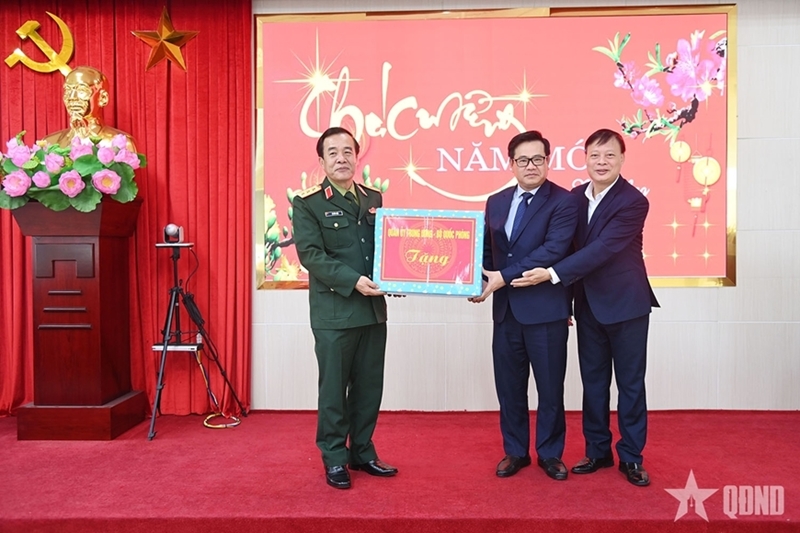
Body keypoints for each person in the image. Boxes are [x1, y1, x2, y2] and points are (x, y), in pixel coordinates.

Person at [512, 128, 659, 487]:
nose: (601, 162)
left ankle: (632, 456)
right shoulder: (574, 198)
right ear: (585, 159)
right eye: (595, 155)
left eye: (609, 155)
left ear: (622, 159)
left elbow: (601, 250)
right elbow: (562, 243)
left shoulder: (633, 201)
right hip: (587, 305)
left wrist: (551, 274)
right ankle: (597, 451)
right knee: (593, 383)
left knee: (630, 385)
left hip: (626, 305)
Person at [292, 126, 397, 490]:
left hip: (372, 311)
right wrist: (354, 281)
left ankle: (362, 452)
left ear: (357, 156)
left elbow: (386, 248)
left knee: (369, 388)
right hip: (335, 313)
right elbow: (311, 255)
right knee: (334, 391)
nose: (342, 158)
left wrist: (397, 276)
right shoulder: (308, 203)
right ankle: (335, 457)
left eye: (348, 151)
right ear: (321, 161)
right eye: (333, 153)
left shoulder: (373, 198)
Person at [470, 130, 578, 481]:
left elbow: (553, 250)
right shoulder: (496, 201)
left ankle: (550, 453)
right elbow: (488, 251)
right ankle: (515, 451)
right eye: (523, 160)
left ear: (548, 161)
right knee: (509, 387)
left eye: (537, 159)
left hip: (546, 311)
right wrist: (476, 281)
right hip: (506, 313)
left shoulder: (564, 202)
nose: (530, 166)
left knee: (550, 388)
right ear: (511, 163)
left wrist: (501, 276)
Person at [42, 66, 136, 151]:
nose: (72, 97)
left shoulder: (122, 144)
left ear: (103, 98)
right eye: (68, 90)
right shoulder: (49, 143)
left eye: (82, 90)